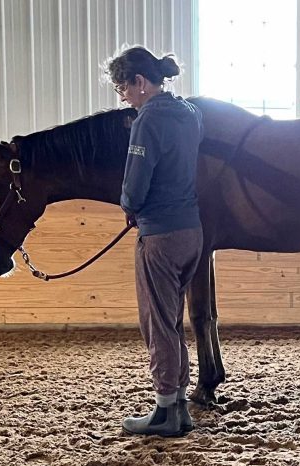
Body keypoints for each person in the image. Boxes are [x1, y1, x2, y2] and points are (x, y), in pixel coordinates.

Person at [106, 46, 204, 437]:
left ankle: (164, 409)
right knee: (172, 320)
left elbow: (135, 183)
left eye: (123, 88)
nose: (123, 97)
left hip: (160, 233)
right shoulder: (190, 114)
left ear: (140, 82)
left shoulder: (147, 119)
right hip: (191, 231)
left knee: (156, 322)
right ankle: (178, 403)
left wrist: (128, 205)